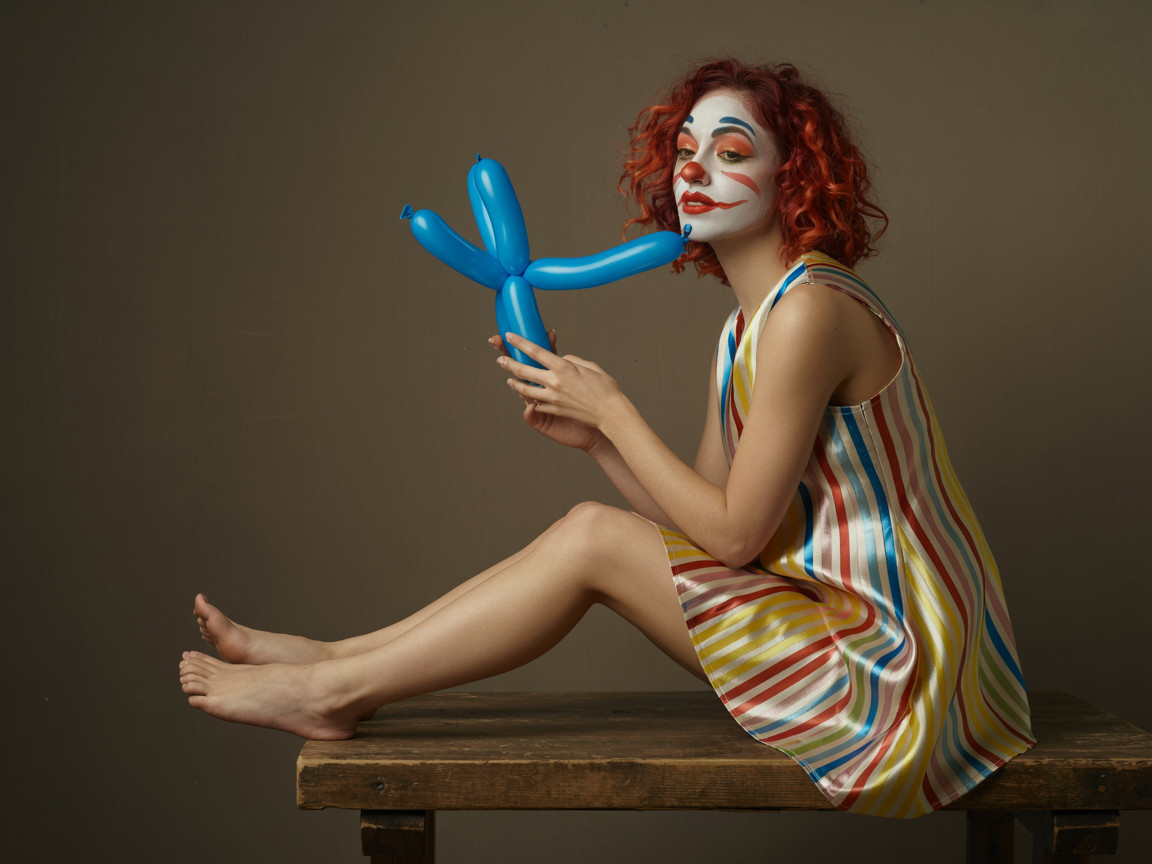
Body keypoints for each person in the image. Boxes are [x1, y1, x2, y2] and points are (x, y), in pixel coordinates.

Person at [179, 59, 1033, 817]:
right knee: (591, 524)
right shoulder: (746, 330)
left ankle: (333, 687)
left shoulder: (811, 311)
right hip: (836, 632)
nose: (697, 169)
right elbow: (708, 537)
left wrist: (617, 409)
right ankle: (337, 662)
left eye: (732, 152)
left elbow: (734, 534)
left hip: (897, 677)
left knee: (590, 535)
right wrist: (594, 439)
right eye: (688, 152)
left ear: (796, 179)